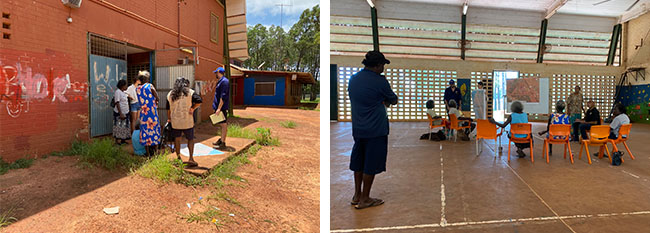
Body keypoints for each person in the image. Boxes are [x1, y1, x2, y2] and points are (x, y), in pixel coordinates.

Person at [348, 51, 397, 210]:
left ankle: (357, 195)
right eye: (382, 65)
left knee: (359, 161)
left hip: (358, 128)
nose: (383, 67)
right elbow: (393, 100)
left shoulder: (353, 79)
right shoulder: (380, 81)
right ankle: (365, 199)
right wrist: (383, 99)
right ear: (376, 66)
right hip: (376, 129)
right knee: (371, 163)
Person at [167, 77, 202, 166]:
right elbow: (199, 101)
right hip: (187, 121)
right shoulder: (190, 92)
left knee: (177, 139)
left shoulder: (171, 94)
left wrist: (169, 119)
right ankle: (191, 158)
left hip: (176, 122)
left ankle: (178, 158)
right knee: (190, 139)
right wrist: (192, 108)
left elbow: (168, 109)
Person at [136, 70, 161, 156]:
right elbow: (157, 97)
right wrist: (155, 102)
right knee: (154, 130)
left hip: (143, 113)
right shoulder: (150, 86)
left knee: (145, 131)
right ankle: (156, 152)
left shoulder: (137, 88)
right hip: (152, 113)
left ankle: (148, 154)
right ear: (147, 79)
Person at [211, 67, 230, 150]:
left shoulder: (225, 82)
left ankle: (223, 142)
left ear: (219, 72)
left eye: (216, 73)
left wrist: (219, 108)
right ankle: (221, 139)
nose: (215, 74)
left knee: (223, 125)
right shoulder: (221, 81)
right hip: (218, 106)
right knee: (221, 124)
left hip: (221, 107)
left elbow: (223, 96)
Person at [113, 80, 130, 145]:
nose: (126, 86)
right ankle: (117, 141)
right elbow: (117, 102)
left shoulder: (123, 92)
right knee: (118, 126)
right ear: (122, 86)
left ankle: (123, 140)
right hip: (120, 113)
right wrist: (121, 113)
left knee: (124, 126)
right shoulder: (118, 92)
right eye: (126, 85)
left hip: (125, 112)